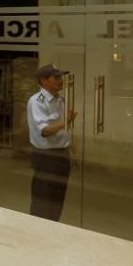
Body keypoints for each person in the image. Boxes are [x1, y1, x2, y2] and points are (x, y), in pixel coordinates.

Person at [27, 64, 76, 221]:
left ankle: (53, 226)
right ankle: (37, 229)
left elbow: (63, 129)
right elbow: (44, 131)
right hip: (46, 157)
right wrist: (66, 121)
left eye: (60, 77)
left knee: (57, 199)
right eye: (56, 77)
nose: (61, 80)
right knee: (43, 199)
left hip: (61, 155)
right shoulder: (38, 100)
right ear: (44, 80)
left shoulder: (60, 100)